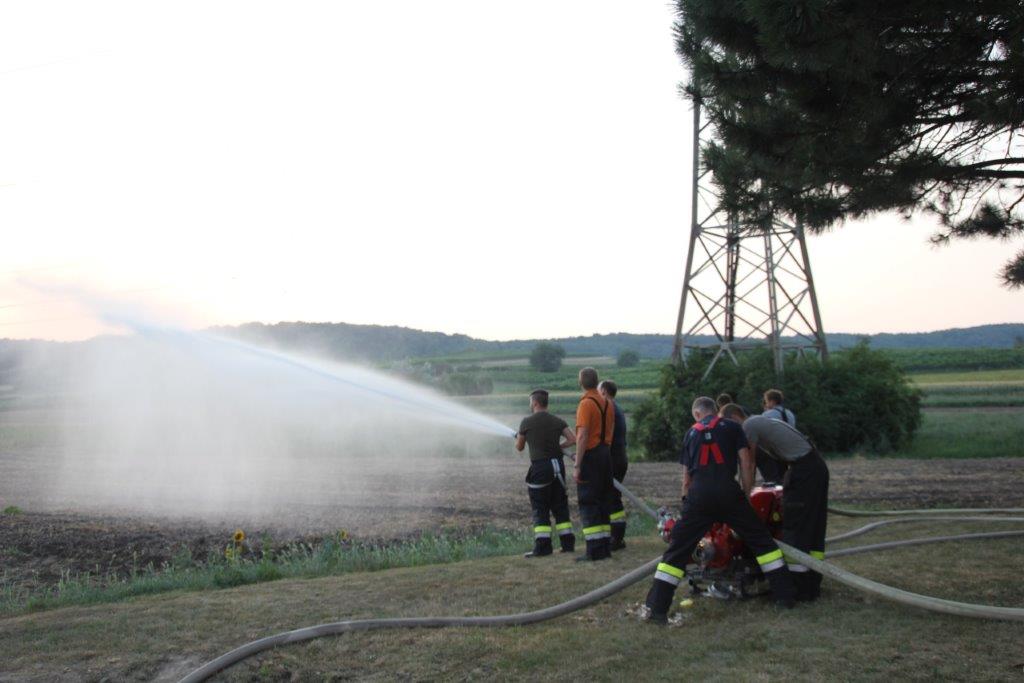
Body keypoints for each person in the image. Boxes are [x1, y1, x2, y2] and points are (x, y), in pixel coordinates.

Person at [642, 396, 795, 623]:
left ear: (697, 414)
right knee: (762, 542)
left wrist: (687, 501)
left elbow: (687, 477)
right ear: (715, 410)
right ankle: (785, 597)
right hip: (728, 492)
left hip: (699, 496)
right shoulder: (733, 427)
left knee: (677, 551)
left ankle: (657, 609)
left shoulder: (690, 433)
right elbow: (746, 462)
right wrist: (744, 494)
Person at [720, 403, 830, 602]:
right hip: (813, 467)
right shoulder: (761, 421)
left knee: (795, 528)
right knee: (812, 528)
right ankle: (811, 587)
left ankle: (795, 589)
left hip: (803, 471)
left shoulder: (749, 426)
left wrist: (744, 496)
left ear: (735, 417)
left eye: (727, 424)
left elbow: (749, 462)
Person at [515, 389, 577, 557]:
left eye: (530, 402)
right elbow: (573, 439)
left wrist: (521, 437)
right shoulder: (557, 421)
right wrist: (559, 447)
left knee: (540, 507)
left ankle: (543, 547)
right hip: (558, 467)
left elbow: (519, 447)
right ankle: (568, 544)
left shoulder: (526, 422)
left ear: (535, 403)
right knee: (560, 505)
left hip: (540, 468)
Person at [574, 367, 615, 561]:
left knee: (588, 502)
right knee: (604, 500)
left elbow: (582, 436)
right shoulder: (607, 402)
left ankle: (593, 550)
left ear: (581, 382)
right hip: (606, 455)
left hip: (591, 456)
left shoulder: (586, 404)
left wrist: (577, 465)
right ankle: (605, 547)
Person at [599, 379, 628, 550]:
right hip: (618, 458)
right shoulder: (615, 407)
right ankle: (615, 537)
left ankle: (616, 539)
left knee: (612, 499)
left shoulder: (608, 407)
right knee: (611, 497)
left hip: (612, 460)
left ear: (603, 391)